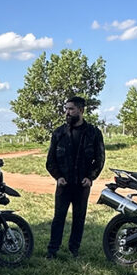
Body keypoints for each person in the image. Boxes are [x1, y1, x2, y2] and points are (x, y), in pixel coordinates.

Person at [44, 96, 105, 259]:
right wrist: (58, 177)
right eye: (66, 109)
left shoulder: (93, 133)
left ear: (81, 110)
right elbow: (50, 161)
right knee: (58, 218)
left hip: (82, 185)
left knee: (79, 219)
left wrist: (91, 177)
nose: (67, 112)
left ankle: (74, 249)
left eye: (71, 109)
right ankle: (52, 250)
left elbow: (100, 159)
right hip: (64, 184)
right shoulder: (59, 133)